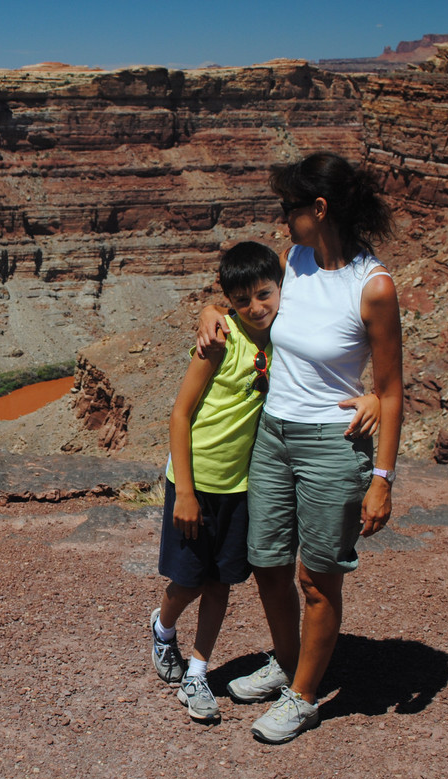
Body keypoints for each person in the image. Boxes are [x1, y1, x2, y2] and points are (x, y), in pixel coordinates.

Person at [196, 152, 403, 743]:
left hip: (330, 445)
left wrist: (382, 477)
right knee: (265, 562)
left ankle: (304, 695)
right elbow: (254, 311)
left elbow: (391, 389)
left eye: (289, 208)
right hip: (274, 434)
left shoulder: (374, 286)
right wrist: (210, 310)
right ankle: (288, 661)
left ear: (318, 208)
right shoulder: (296, 261)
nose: (282, 219)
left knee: (317, 579)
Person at [150, 241, 378, 723]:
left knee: (221, 582)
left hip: (240, 487)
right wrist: (185, 491)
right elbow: (180, 413)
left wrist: (373, 395)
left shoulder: (284, 332)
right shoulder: (221, 340)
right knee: (189, 580)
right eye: (242, 301)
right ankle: (163, 627)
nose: (256, 308)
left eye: (264, 296)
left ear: (282, 290)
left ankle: (197, 670)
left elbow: (332, 362)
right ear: (230, 303)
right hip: (197, 485)